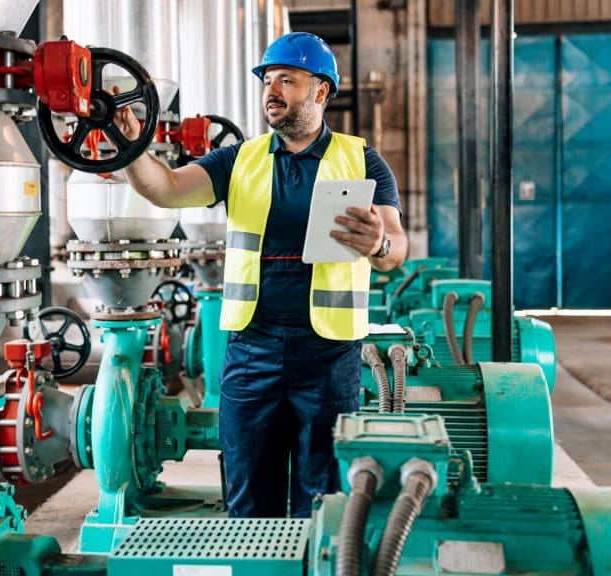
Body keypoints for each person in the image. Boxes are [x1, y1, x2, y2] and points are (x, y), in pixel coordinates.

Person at [110, 31, 407, 518]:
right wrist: (129, 149)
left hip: (329, 357)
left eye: (286, 80)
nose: (272, 90)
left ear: (320, 91)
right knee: (248, 497)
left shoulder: (361, 160)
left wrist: (380, 243)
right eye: (268, 80)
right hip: (253, 350)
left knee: (325, 499)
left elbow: (395, 247)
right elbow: (164, 188)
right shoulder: (238, 160)